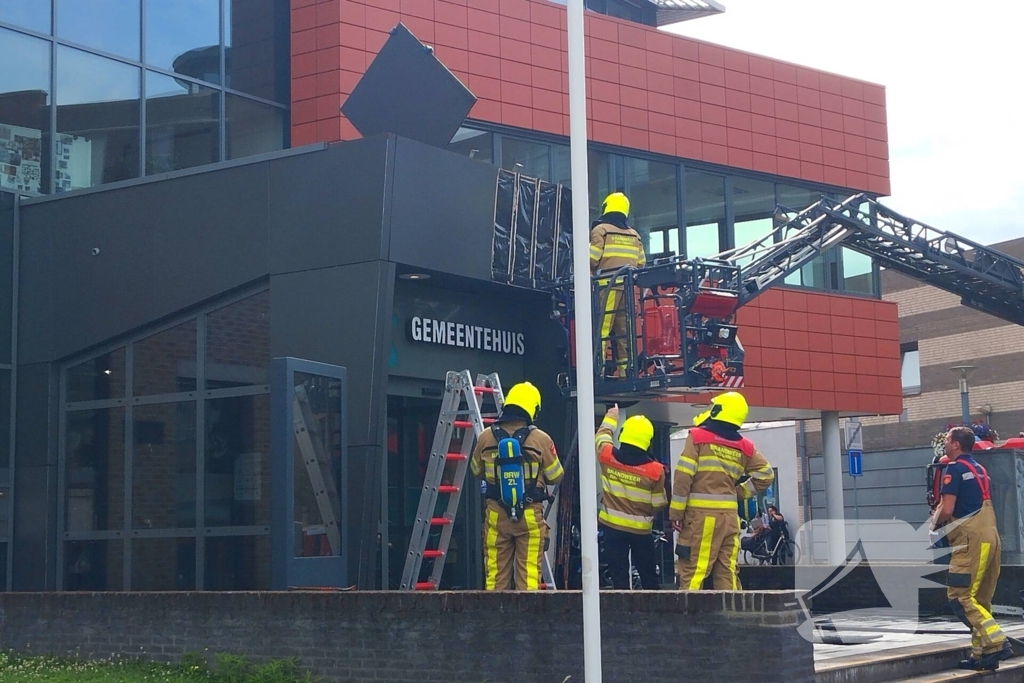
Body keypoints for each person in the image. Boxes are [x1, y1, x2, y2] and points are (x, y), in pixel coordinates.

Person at [669, 392, 774, 590]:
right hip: (729, 519)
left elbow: (683, 476)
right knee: (727, 573)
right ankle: (733, 618)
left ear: (718, 410)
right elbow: (766, 475)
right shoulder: (745, 447)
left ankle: (688, 619)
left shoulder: (698, 437)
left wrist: (676, 513)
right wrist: (739, 492)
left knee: (694, 572)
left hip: (700, 519)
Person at [931, 427, 1013, 670]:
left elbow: (947, 509)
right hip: (990, 535)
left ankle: (996, 642)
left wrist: (933, 525)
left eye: (947, 440)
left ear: (956, 445)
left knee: (960, 595)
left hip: (970, 541)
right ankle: (982, 655)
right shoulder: (980, 470)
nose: (944, 444)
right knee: (980, 600)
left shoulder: (954, 470)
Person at [470, 381, 564, 590]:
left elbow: (476, 471)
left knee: (495, 578)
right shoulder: (540, 439)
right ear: (533, 408)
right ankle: (527, 620)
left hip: (496, 516)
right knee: (529, 576)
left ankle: (497, 620)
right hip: (530, 516)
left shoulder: (486, 436)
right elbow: (556, 475)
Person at [595, 404, 667, 589]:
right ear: (648, 441)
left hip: (612, 528)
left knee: (619, 578)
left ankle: (622, 614)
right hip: (641, 532)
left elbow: (601, 437)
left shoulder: (607, 456)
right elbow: (658, 503)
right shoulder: (655, 470)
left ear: (623, 434)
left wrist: (612, 416)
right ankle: (654, 613)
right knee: (649, 578)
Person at [589, 192, 646, 378]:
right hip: (627, 290)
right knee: (624, 332)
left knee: (602, 329)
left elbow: (591, 259)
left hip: (607, 287)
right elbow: (641, 263)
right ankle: (625, 370)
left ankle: (598, 369)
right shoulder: (634, 235)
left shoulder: (601, 230)